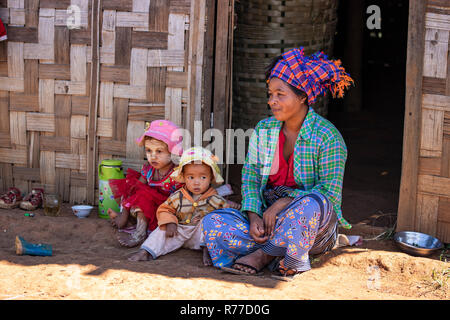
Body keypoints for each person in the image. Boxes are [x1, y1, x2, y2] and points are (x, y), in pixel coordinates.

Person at [202, 47, 354, 280]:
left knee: (312, 205)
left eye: (280, 94)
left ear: (302, 96)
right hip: (269, 222)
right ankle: (277, 250)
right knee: (214, 221)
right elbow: (251, 178)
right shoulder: (264, 129)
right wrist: (254, 216)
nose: (272, 101)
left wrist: (283, 202)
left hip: (310, 227)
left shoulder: (327, 137)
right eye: (270, 94)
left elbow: (329, 197)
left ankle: (264, 256)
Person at [128, 147, 239, 264]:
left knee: (209, 222)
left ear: (211, 178)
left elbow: (225, 211)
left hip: (199, 236)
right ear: (184, 177)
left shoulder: (214, 198)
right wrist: (170, 222)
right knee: (161, 230)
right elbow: (164, 209)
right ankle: (146, 251)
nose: (196, 182)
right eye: (191, 177)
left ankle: (208, 250)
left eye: (203, 177)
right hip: (178, 231)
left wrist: (233, 207)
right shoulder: (178, 196)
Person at [107, 120, 184, 247]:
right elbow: (135, 190)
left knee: (143, 195)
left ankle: (139, 233)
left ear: (172, 152)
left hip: (165, 210)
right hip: (145, 207)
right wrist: (127, 207)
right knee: (132, 187)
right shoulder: (148, 170)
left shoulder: (177, 173)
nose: (153, 156)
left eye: (159, 151)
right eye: (149, 150)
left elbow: (180, 198)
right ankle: (125, 218)